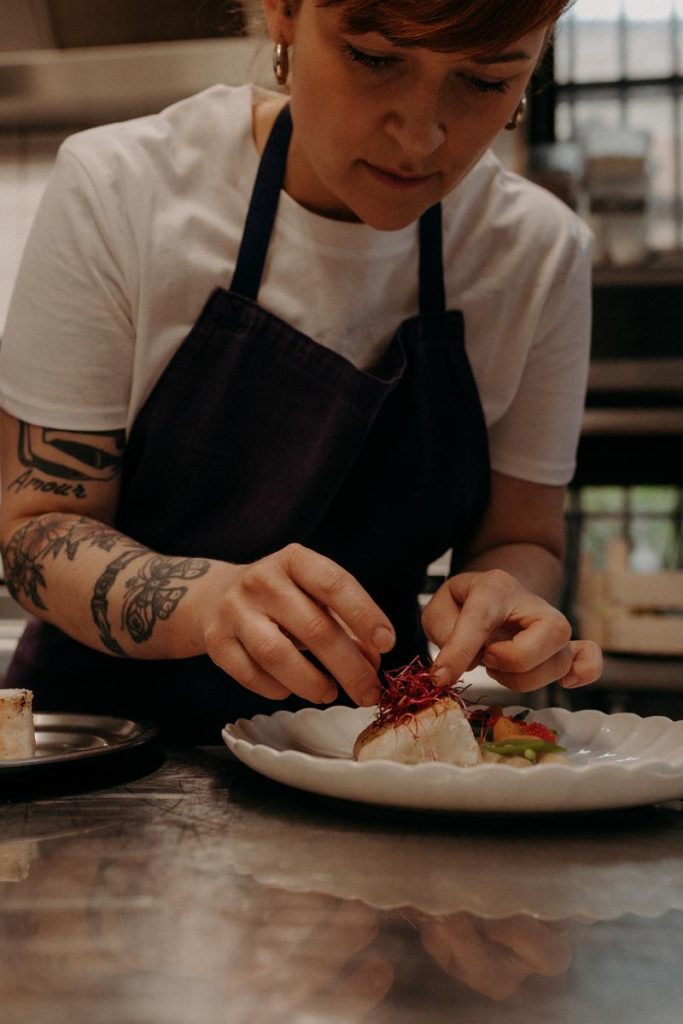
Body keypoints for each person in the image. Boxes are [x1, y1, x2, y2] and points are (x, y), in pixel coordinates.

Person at [0, 0, 602, 740]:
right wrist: (208, 603)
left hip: (370, 765)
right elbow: (33, 531)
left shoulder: (537, 254)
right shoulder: (123, 190)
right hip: (105, 762)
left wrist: (505, 594)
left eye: (483, 81)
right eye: (374, 59)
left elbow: (525, 537)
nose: (419, 136)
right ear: (283, 12)